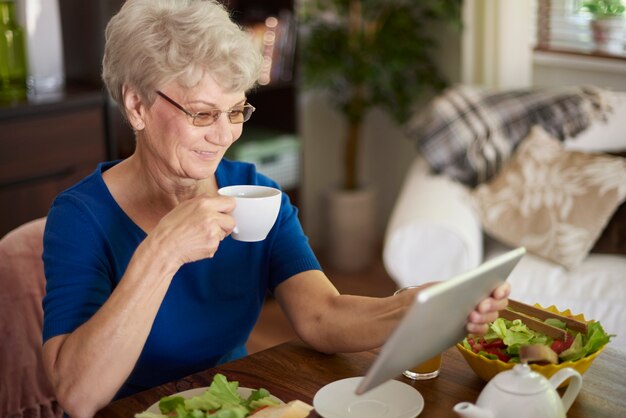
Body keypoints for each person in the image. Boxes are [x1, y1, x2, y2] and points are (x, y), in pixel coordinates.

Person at [40, 1, 510, 417]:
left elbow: (322, 316)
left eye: (236, 111)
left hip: (234, 403)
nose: (224, 135)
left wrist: (417, 308)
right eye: (202, 113)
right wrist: (162, 251)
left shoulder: (255, 193)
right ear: (137, 106)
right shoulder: (81, 216)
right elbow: (79, 397)